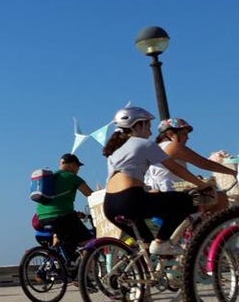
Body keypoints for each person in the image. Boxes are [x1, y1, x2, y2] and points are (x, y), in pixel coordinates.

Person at [102, 106, 211, 257]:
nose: (151, 132)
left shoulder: (115, 151)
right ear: (138, 124)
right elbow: (175, 168)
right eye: (148, 126)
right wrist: (202, 185)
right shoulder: (144, 144)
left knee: (147, 244)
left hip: (110, 205)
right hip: (130, 200)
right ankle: (162, 243)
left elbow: (123, 177)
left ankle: (147, 276)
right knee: (185, 201)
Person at [146, 118, 236, 213]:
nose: (187, 138)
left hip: (156, 194)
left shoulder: (156, 148)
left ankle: (201, 225)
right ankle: (207, 227)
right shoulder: (173, 146)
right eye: (184, 134)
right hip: (170, 195)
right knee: (220, 197)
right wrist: (233, 172)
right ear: (170, 134)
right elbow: (203, 163)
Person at [34, 153, 95, 263]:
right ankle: (82, 271)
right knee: (89, 242)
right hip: (61, 216)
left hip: (42, 218)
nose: (78, 170)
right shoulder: (71, 177)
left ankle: (70, 270)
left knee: (68, 241)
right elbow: (91, 195)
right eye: (77, 167)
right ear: (71, 165)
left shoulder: (51, 178)